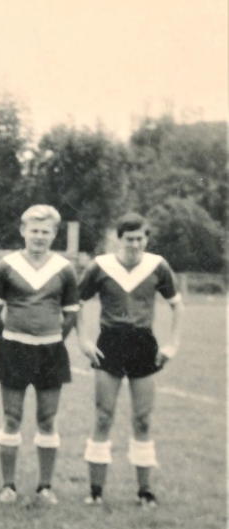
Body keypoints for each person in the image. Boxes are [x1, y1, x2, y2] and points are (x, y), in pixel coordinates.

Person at [77, 212, 183, 507]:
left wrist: (173, 343)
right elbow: (76, 303)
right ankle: (95, 491)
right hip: (109, 342)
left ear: (146, 238)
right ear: (118, 238)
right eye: (129, 239)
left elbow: (177, 305)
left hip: (143, 343)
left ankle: (144, 491)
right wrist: (83, 340)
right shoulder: (101, 266)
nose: (135, 244)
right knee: (103, 416)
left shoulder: (157, 265)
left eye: (140, 238)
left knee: (143, 419)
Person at [0, 205, 80, 505]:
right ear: (23, 231)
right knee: (11, 417)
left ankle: (45, 487)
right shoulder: (6, 266)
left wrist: (52, 339)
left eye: (45, 231)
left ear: (54, 234)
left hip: (51, 350)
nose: (39, 236)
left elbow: (70, 314)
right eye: (34, 230)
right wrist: (8, 341)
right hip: (14, 348)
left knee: (47, 418)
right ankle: (8, 486)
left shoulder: (64, 268)